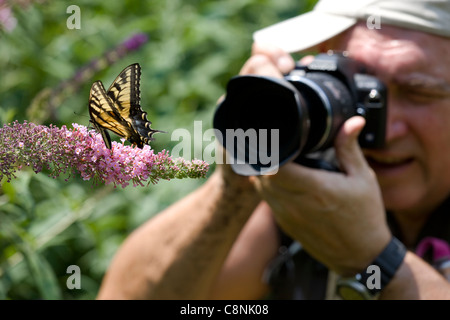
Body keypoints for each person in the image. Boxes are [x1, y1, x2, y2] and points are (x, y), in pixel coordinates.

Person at [97, 0, 450, 300]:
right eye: (356, 89)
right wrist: (236, 182)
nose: (381, 129)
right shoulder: (316, 186)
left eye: (418, 92)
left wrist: (374, 260)